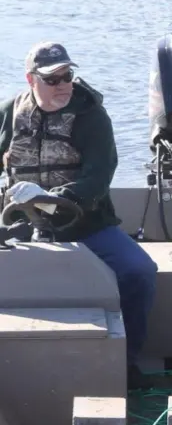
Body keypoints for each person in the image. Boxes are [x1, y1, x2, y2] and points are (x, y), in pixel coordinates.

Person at [0, 42, 157, 389]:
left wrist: (52, 199)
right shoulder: (9, 112)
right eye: (52, 79)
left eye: (67, 76)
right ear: (31, 79)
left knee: (139, 272)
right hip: (19, 223)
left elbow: (99, 176)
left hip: (84, 224)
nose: (63, 85)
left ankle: (126, 362)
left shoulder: (91, 116)